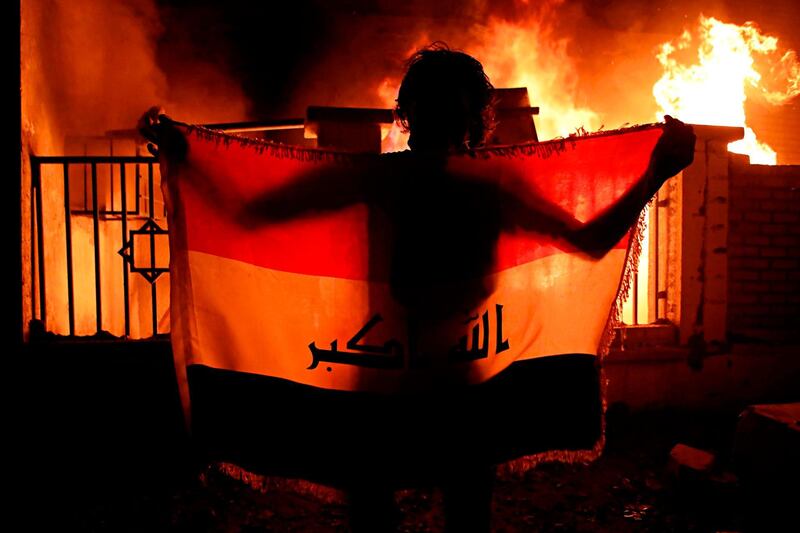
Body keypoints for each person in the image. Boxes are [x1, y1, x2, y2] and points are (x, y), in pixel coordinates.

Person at [141, 42, 694, 532]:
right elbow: (592, 240)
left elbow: (250, 213)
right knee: (439, 510)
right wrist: (654, 174)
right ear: (467, 117)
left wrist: (656, 173)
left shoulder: (415, 180)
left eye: (445, 105)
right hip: (444, 376)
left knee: (408, 511)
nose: (443, 118)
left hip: (409, 376)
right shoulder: (456, 182)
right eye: (441, 105)